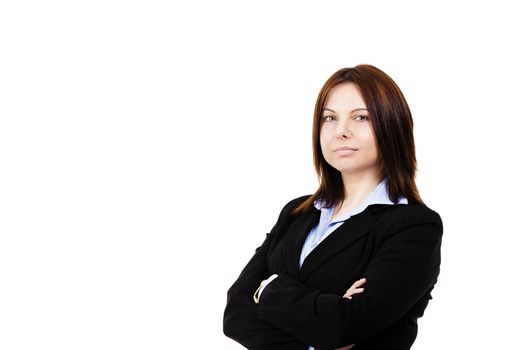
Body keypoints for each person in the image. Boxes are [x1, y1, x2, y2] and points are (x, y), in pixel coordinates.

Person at [223, 64, 443, 350]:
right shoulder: (296, 213)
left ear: (392, 125)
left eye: (361, 117)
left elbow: (346, 324)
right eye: (329, 118)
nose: (341, 131)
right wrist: (324, 321)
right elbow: (235, 315)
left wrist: (266, 290)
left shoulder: (414, 226)